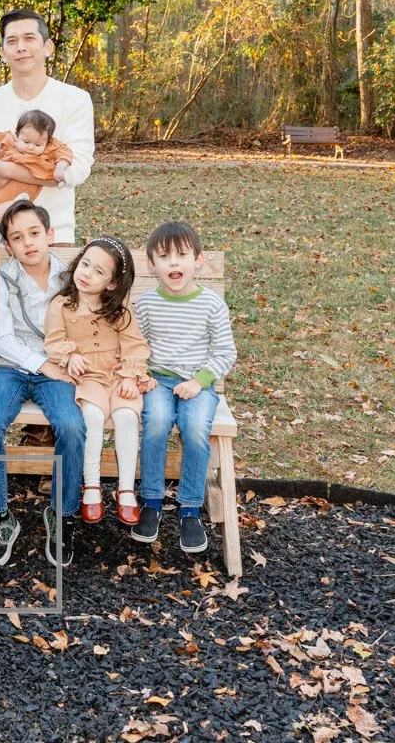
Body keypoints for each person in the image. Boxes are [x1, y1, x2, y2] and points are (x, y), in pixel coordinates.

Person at [0, 200, 85, 569]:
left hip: (57, 365)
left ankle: (62, 514)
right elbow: (1, 337)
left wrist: (66, 359)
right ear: (8, 246)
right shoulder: (1, 278)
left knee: (71, 424)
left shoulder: (71, 277)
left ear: (50, 234)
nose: (28, 243)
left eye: (35, 233)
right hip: (10, 365)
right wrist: (42, 364)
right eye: (17, 238)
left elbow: (85, 323)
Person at [132, 221, 237, 555]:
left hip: (199, 383)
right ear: (151, 265)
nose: (173, 263)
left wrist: (199, 381)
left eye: (181, 255)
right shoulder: (146, 305)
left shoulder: (211, 305)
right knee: (157, 424)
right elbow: (136, 346)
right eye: (164, 257)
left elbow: (225, 352)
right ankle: (151, 501)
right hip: (158, 381)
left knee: (194, 427)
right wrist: (142, 375)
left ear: (198, 261)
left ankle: (190, 508)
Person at [0, 8, 95, 243]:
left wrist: (9, 170)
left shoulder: (75, 99)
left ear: (48, 47)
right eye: (12, 41)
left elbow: (76, 169)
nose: (20, 47)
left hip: (54, 235)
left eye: (29, 38)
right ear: (3, 53)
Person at [43, 236, 150, 527]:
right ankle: (91, 485)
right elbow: (53, 341)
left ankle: (125, 489)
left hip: (117, 376)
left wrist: (130, 375)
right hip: (88, 377)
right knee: (91, 416)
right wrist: (69, 356)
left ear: (113, 284)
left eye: (99, 271)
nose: (87, 273)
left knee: (127, 416)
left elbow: (135, 346)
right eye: (85, 264)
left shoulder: (119, 312)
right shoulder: (62, 305)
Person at [0, 110, 75, 222]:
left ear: (47, 143)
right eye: (26, 142)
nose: (31, 147)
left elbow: (65, 153)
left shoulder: (46, 154)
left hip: (16, 200)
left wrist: (60, 168)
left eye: (38, 144)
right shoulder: (10, 147)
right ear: (17, 136)